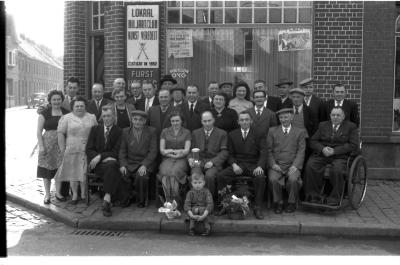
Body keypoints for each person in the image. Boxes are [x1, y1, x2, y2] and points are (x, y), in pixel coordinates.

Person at [217, 111, 267, 220]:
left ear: (251, 121)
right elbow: (230, 153)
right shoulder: (232, 134)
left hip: (253, 164)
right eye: (242, 120)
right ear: (238, 122)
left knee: (260, 177)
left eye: (247, 119)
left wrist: (260, 166)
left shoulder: (259, 133)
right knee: (221, 176)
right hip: (238, 164)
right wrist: (234, 164)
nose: (244, 122)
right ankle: (225, 204)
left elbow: (264, 152)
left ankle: (257, 207)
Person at [304, 107, 359, 206]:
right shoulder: (323, 125)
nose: (335, 117)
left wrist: (335, 151)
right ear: (330, 116)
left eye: (338, 115)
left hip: (340, 156)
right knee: (310, 165)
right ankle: (313, 196)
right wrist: (322, 149)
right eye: (333, 115)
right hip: (323, 154)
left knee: (337, 169)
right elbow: (313, 141)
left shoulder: (351, 127)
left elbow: (353, 144)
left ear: (343, 116)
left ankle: (334, 198)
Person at [55, 97, 98, 204]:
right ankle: (74, 195)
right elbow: (60, 133)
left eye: (82, 106)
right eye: (77, 106)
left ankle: (83, 194)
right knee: (73, 172)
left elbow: (97, 133)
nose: (79, 108)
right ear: (73, 107)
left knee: (83, 172)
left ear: (85, 107)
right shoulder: (66, 118)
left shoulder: (91, 117)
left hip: (87, 149)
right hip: (71, 149)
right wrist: (62, 148)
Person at [267, 108, 307, 214]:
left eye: (286, 117)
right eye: (281, 118)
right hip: (277, 164)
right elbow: (268, 150)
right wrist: (273, 164)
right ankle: (278, 202)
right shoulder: (272, 131)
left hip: (292, 165)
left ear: (291, 117)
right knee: (273, 179)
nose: (283, 120)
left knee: (293, 180)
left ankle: (291, 202)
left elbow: (301, 151)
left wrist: (295, 165)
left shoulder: (300, 132)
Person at [86, 106, 123, 217]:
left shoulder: (119, 131)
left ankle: (107, 199)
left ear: (114, 117)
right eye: (104, 116)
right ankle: (108, 200)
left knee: (112, 165)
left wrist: (100, 156)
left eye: (109, 116)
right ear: (101, 117)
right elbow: (89, 148)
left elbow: (116, 151)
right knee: (112, 165)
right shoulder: (95, 129)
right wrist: (98, 158)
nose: (106, 118)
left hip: (111, 163)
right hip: (97, 165)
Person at [119, 110, 158, 207]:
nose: (137, 122)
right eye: (135, 119)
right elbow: (122, 150)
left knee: (141, 176)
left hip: (145, 163)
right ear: (132, 120)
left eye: (140, 120)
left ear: (145, 121)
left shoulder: (152, 131)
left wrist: (144, 165)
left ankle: (141, 200)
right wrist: (123, 164)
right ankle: (126, 198)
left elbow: (153, 151)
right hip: (130, 162)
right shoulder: (125, 131)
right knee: (123, 174)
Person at [36, 90, 70, 204]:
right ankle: (47, 194)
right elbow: (38, 131)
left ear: (62, 100)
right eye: (54, 99)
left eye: (58, 99)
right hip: (47, 145)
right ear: (50, 101)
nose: (56, 101)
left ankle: (58, 193)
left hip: (61, 145)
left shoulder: (66, 113)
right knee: (47, 170)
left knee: (60, 169)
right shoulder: (44, 113)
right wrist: (41, 146)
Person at [189, 111, 229, 199]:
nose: (207, 123)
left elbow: (224, 152)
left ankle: (209, 200)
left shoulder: (222, 133)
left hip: (213, 162)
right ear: (201, 121)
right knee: (195, 175)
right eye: (204, 121)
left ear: (213, 120)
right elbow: (190, 150)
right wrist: (190, 159)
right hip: (198, 161)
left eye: (209, 120)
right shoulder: (195, 133)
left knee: (209, 176)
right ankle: (195, 200)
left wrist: (213, 162)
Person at [158, 111, 191, 205]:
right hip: (167, 159)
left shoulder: (187, 132)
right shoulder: (164, 131)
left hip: (182, 159)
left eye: (177, 121)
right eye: (173, 121)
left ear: (181, 121)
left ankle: (175, 201)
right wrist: (175, 152)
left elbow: (186, 150)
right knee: (165, 172)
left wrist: (171, 151)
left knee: (174, 173)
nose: (175, 123)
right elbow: (162, 150)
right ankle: (168, 201)